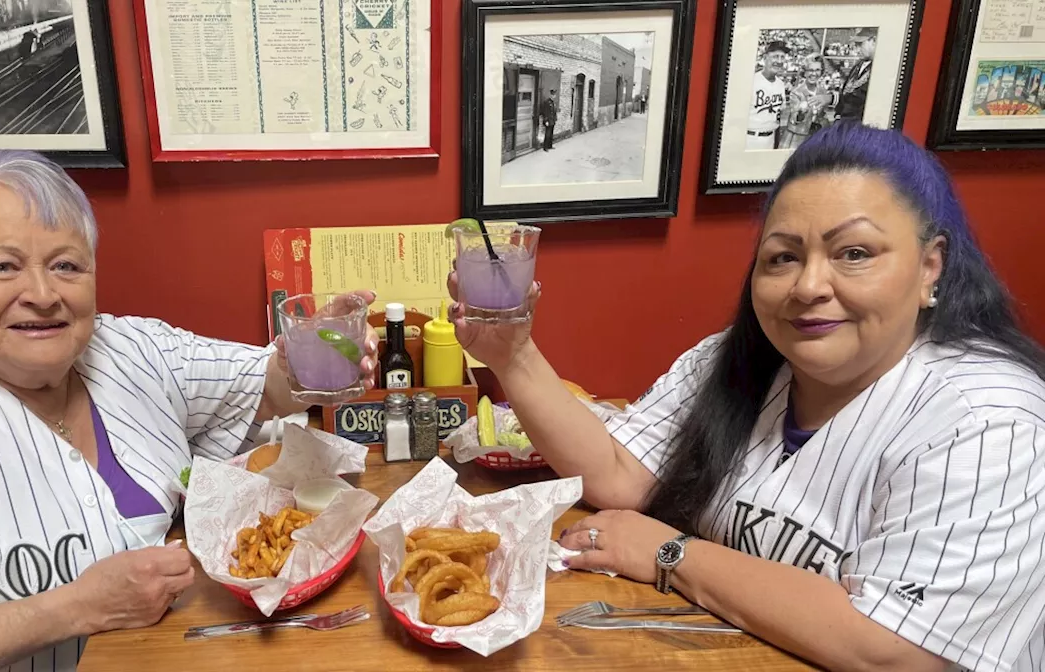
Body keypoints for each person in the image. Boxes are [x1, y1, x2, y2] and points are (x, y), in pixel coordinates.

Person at [447, 122, 1045, 671]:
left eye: (854, 254)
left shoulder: (989, 419)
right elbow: (618, 474)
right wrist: (512, 355)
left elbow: (896, 650)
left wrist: (671, 554)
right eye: (783, 257)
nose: (810, 285)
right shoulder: (734, 359)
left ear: (929, 267)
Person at [0, 149, 379, 672]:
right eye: (2, 266)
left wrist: (316, 354)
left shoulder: (132, 349)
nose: (44, 293)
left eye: (66, 265)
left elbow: (268, 384)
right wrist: (75, 609)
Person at [779, 61, 831, 149]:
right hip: (798, 136)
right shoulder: (796, 92)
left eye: (817, 70)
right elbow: (795, 119)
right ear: (805, 72)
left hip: (817, 135)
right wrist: (801, 112)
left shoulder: (823, 91)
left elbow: (823, 115)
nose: (814, 74)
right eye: (810, 70)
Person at [748, 41, 789, 150]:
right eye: (775, 56)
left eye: (782, 57)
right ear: (765, 57)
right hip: (749, 138)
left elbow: (780, 114)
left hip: (770, 139)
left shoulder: (780, 84)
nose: (779, 61)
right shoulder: (751, 81)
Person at [836, 31, 874, 122]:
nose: (857, 50)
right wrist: (837, 114)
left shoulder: (880, 68)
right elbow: (845, 91)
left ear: (873, 41)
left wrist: (832, 98)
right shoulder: (857, 66)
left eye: (860, 44)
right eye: (856, 45)